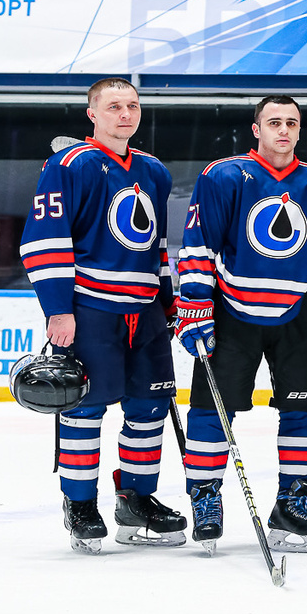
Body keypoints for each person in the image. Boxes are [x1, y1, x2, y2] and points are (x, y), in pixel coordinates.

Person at [173, 94, 307, 552]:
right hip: (231, 312)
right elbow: (199, 247)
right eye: (274, 122)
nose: (284, 130)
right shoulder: (224, 175)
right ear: (256, 129)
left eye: (292, 123)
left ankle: (292, 505)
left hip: (299, 314)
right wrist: (195, 309)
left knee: (306, 413)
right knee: (212, 411)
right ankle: (206, 500)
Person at [22, 77, 184, 550]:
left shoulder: (154, 171)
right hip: (89, 310)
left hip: (146, 312)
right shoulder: (69, 165)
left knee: (149, 409)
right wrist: (58, 309)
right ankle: (80, 505)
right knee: (84, 408)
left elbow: (156, 247)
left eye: (132, 106)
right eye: (113, 106)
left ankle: (136, 499)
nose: (125, 114)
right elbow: (44, 240)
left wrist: (169, 301)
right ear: (92, 114)